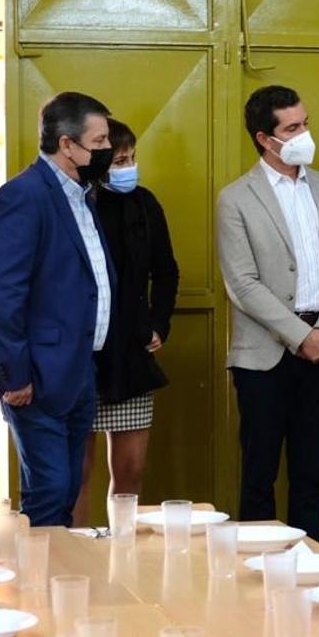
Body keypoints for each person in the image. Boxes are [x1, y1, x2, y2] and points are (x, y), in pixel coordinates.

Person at [216, 84, 319, 541]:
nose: (304, 135)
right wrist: (301, 335)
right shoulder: (236, 198)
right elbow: (243, 284)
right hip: (265, 357)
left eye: (305, 123)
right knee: (259, 477)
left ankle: (306, 573)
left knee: (312, 475)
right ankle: (257, 585)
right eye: (292, 128)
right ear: (265, 138)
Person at [0, 91, 116, 528]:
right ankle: (38, 591)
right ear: (67, 144)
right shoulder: (24, 196)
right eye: (98, 142)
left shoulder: (82, 196)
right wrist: (14, 373)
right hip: (36, 374)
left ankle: (58, 588)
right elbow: (3, 293)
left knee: (68, 486)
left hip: (78, 369)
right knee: (50, 490)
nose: (106, 151)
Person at [72, 118, 179, 526]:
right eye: (119, 159)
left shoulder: (145, 203)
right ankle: (79, 552)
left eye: (132, 158)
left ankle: (123, 551)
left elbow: (166, 271)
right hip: (84, 354)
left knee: (131, 472)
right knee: (77, 471)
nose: (128, 167)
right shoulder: (80, 204)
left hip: (133, 357)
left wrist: (158, 324)